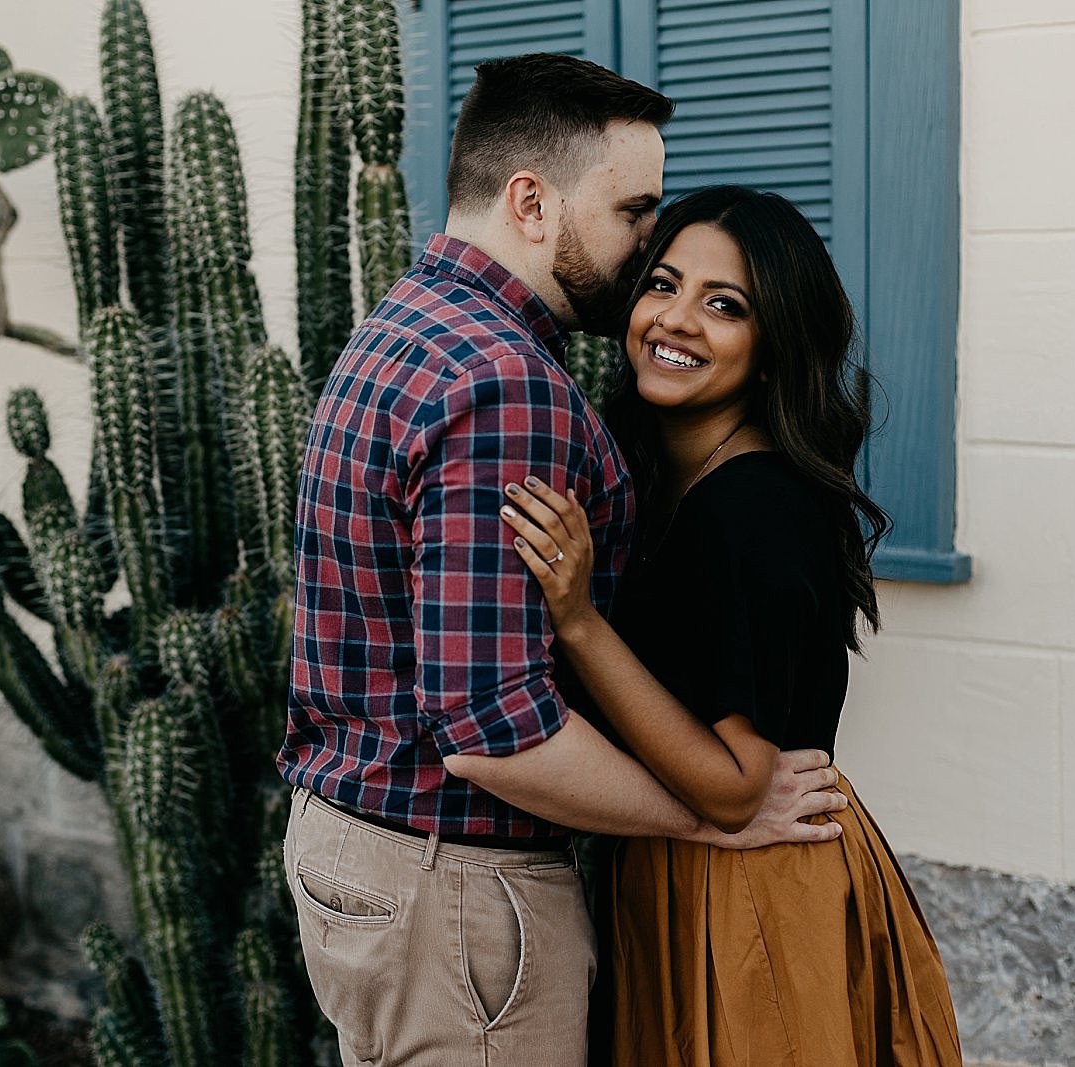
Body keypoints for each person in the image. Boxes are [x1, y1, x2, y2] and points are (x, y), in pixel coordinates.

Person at [279, 57, 849, 1067]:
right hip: (451, 887)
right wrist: (711, 816)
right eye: (634, 215)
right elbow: (494, 734)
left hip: (357, 847)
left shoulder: (404, 325)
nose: (643, 250)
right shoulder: (508, 386)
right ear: (532, 202)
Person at [499, 184, 964, 1065]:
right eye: (662, 284)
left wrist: (579, 621)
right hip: (703, 873)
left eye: (725, 305)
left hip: (748, 894)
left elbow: (735, 784)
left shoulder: (748, 507)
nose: (676, 320)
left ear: (772, 346)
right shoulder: (664, 479)